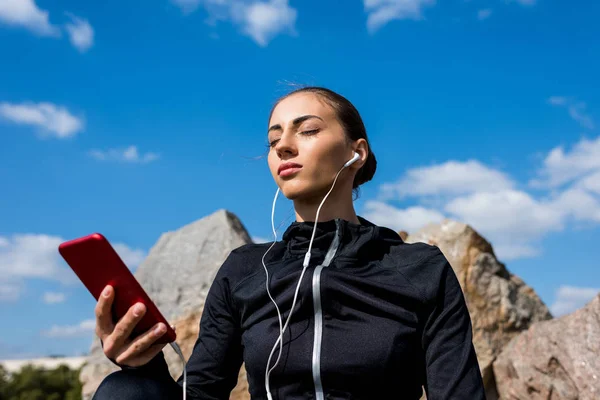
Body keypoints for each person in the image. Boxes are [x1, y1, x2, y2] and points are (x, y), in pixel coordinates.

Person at [93, 86, 486, 400]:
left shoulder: (419, 269)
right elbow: (200, 392)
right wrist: (143, 363)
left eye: (308, 130)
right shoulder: (245, 269)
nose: (283, 146)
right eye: (273, 138)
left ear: (356, 153)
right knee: (125, 391)